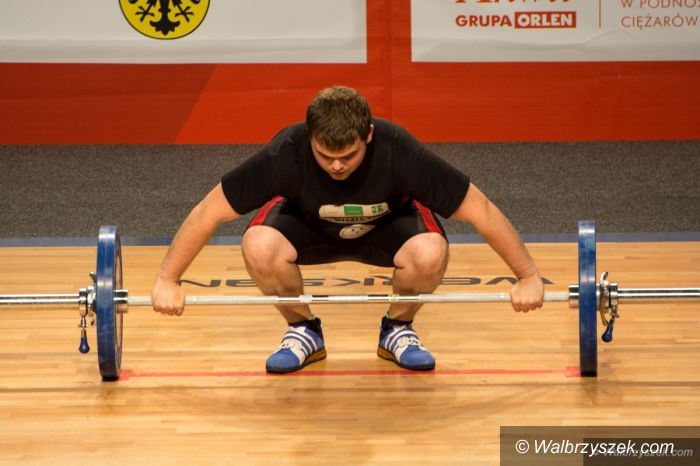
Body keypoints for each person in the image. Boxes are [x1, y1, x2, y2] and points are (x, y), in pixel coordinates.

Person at [151, 85, 544, 373]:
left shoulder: (399, 151)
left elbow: (480, 211)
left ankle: (397, 329)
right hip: (307, 225)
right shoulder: (286, 151)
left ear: (368, 134)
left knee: (430, 251)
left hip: (389, 226)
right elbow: (208, 212)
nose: (337, 166)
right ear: (310, 138)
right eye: (325, 156)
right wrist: (167, 279)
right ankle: (303, 331)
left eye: (348, 155)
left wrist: (527, 276)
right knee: (258, 243)